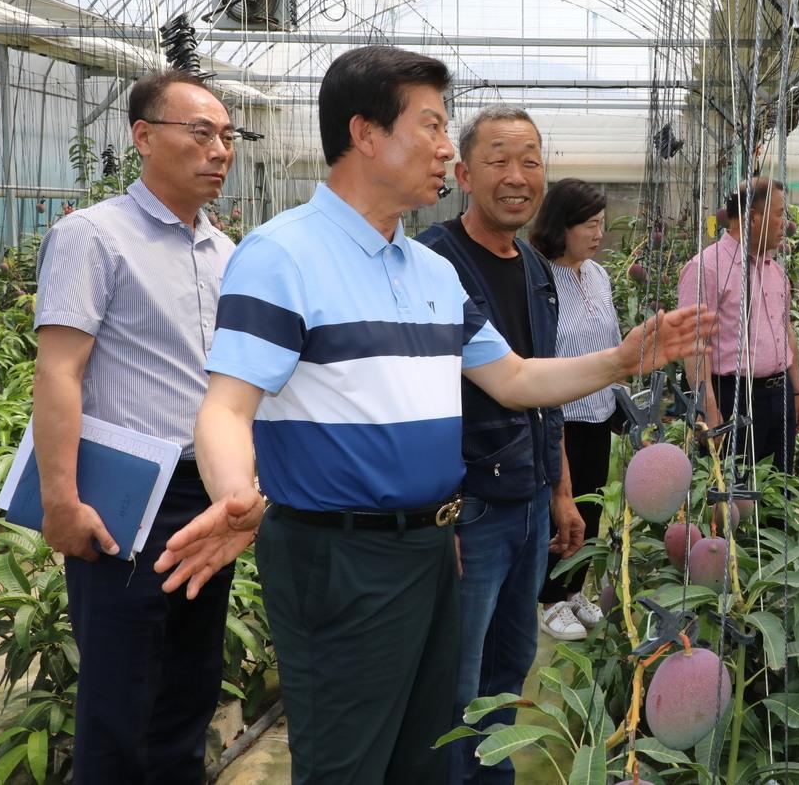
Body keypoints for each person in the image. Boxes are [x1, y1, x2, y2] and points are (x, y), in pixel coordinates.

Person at [151, 46, 708, 785]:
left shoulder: (432, 272)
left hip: (433, 547)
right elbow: (225, 406)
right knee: (348, 762)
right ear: (366, 134)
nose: (449, 148)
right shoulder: (282, 254)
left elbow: (511, 378)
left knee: (426, 753)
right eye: (433, 125)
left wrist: (621, 359)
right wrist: (232, 492)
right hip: (338, 556)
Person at [33, 69, 237, 783]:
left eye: (228, 135)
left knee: (190, 684)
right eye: (201, 132)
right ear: (144, 137)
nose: (220, 149)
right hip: (127, 497)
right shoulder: (93, 236)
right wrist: (61, 497)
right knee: (119, 696)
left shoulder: (227, 252)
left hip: (209, 495)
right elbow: (59, 371)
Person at [415, 105, 583, 784]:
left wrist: (561, 490)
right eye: (499, 159)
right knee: (455, 682)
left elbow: (544, 393)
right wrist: (439, 510)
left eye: (531, 159)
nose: (517, 176)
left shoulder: (539, 270)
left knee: (510, 667)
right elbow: (415, 398)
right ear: (462, 173)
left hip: (527, 505)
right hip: (471, 507)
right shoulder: (434, 262)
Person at [528, 178, 621, 642]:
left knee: (591, 507)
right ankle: (549, 598)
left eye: (601, 224)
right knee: (559, 510)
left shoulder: (598, 275)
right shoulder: (541, 278)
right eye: (589, 224)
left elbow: (612, 343)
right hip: (559, 417)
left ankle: (575, 589)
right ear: (561, 226)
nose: (597, 233)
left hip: (599, 413)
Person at [678, 177, 799, 479]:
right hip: (732, 398)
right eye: (779, 213)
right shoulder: (706, 268)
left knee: (779, 493)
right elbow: (694, 345)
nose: (784, 223)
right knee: (734, 501)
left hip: (779, 396)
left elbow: (784, 330)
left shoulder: (775, 270)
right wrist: (708, 406)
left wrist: (797, 391)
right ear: (752, 218)